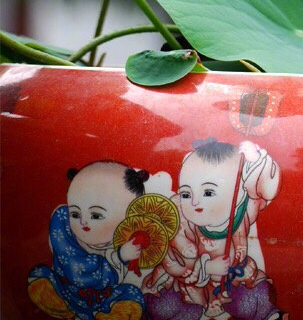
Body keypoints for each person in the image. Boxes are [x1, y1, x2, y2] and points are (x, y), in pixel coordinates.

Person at [144, 137, 286, 320]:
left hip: (233, 279)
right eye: (186, 193)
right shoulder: (182, 221)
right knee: (169, 307)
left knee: (252, 298)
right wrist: (207, 267)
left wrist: (257, 161)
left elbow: (264, 189)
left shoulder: (242, 210)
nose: (195, 202)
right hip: (193, 286)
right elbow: (177, 261)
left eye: (209, 193)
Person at [27, 160, 149, 320]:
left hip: (104, 299)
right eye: (75, 214)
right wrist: (119, 257)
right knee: (40, 277)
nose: (83, 222)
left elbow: (119, 277)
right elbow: (78, 271)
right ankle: (67, 310)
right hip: (64, 290)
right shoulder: (63, 222)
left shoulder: (128, 237)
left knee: (132, 297)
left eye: (96, 216)